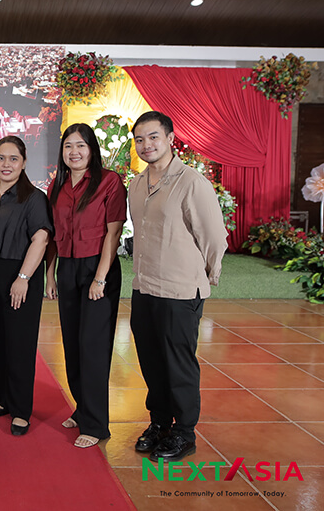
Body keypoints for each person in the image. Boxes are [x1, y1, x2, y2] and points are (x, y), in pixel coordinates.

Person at [128, 111, 227, 461]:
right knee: (151, 361)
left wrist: (203, 276)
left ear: (170, 138)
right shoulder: (137, 184)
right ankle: (160, 423)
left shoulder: (192, 183)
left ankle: (184, 432)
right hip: (144, 287)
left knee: (178, 365)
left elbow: (214, 237)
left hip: (180, 291)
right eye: (139, 139)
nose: (146, 145)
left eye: (153, 137)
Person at [45, 123, 126, 448]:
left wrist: (100, 278)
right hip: (68, 268)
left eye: (80, 145)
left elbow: (113, 232)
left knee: (93, 347)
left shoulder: (109, 181)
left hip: (98, 268)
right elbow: (52, 236)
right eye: (68, 146)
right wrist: (50, 275)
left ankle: (96, 425)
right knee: (73, 344)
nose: (74, 152)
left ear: (92, 149)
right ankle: (82, 409)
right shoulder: (58, 185)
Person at [0, 136, 52, 437]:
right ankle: (4, 400)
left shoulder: (34, 198)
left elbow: (41, 239)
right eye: (1, 158)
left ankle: (21, 411)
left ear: (23, 163)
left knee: (20, 344)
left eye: (13, 159)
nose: (6, 164)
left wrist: (23, 279)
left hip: (21, 275)